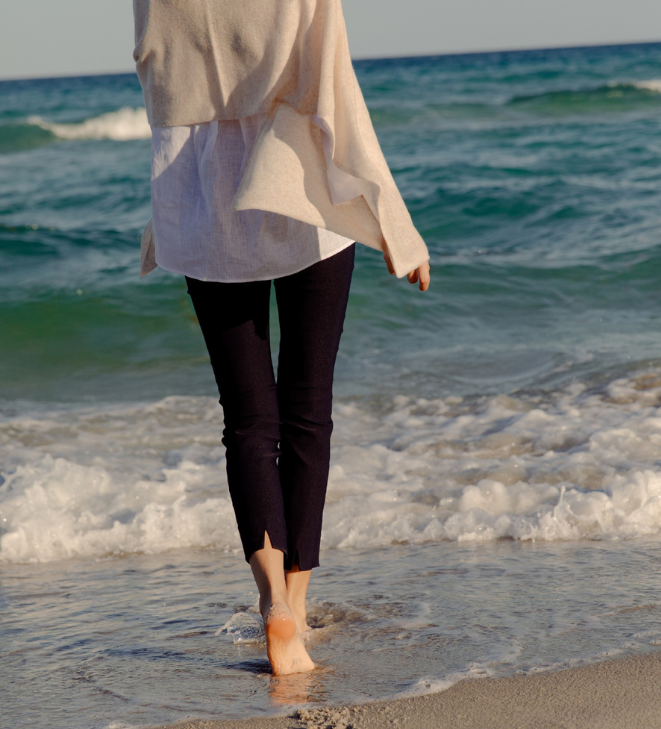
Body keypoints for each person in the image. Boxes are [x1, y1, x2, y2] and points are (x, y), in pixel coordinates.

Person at [132, 0, 431, 675]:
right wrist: (393, 222)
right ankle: (294, 606)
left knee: (246, 419)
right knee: (307, 410)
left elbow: (154, 74)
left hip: (199, 192)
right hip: (299, 185)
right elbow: (333, 85)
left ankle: (273, 605)